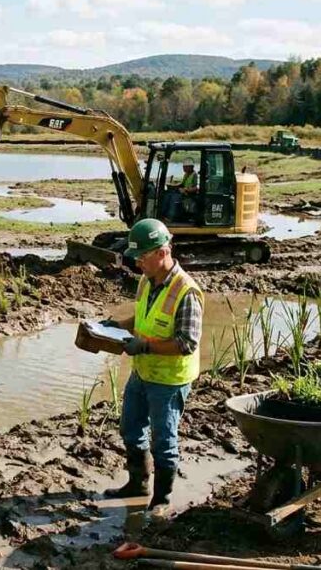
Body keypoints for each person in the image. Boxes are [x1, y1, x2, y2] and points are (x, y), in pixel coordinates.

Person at [99, 219, 203, 515]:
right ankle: (138, 484)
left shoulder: (187, 292)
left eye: (142, 257)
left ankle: (161, 500)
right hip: (143, 371)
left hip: (169, 381)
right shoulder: (147, 280)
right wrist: (119, 327)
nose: (137, 263)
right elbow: (143, 317)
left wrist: (143, 345)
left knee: (164, 441)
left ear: (162, 252)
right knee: (131, 428)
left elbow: (186, 343)